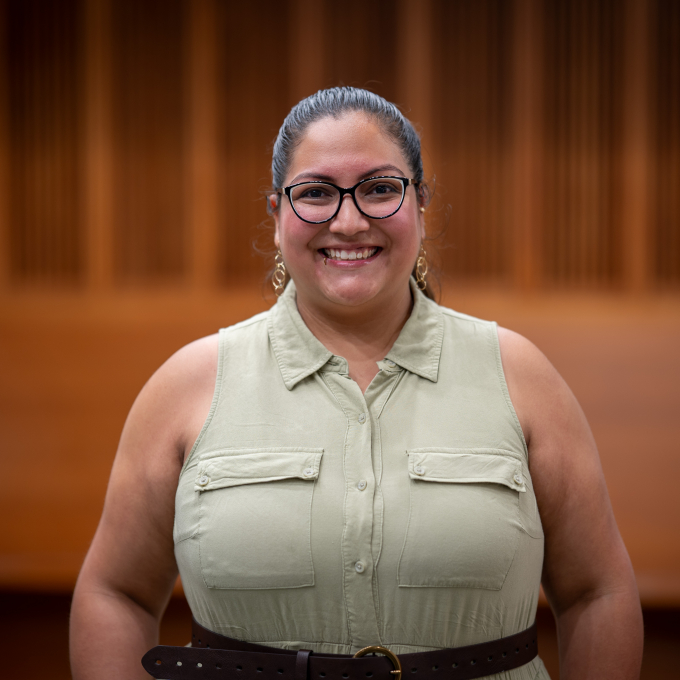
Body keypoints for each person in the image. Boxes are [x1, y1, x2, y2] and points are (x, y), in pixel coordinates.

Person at [70, 87, 643, 680]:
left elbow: (597, 592)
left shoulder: (520, 377)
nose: (348, 221)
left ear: (420, 204)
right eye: (316, 193)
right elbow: (115, 592)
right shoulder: (186, 387)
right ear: (276, 217)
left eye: (379, 189)